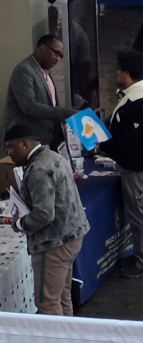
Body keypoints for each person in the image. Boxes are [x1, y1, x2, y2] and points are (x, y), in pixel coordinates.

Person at [3, 125, 89, 314]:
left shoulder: (38, 169)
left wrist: (18, 223)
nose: (9, 154)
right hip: (71, 236)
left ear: (25, 143)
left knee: (47, 303)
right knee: (63, 295)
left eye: (11, 147)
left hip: (53, 245)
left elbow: (44, 214)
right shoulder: (53, 156)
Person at [98, 51, 143, 278]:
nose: (116, 72)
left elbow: (130, 143)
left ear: (128, 74)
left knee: (142, 215)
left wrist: (104, 146)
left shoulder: (137, 104)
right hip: (139, 166)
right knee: (140, 214)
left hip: (137, 169)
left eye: (119, 69)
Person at [3, 35, 76, 147]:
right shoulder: (24, 71)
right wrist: (65, 113)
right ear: (43, 48)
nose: (58, 59)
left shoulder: (46, 73)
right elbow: (29, 106)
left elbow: (52, 105)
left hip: (46, 141)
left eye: (61, 56)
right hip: (24, 143)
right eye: (56, 53)